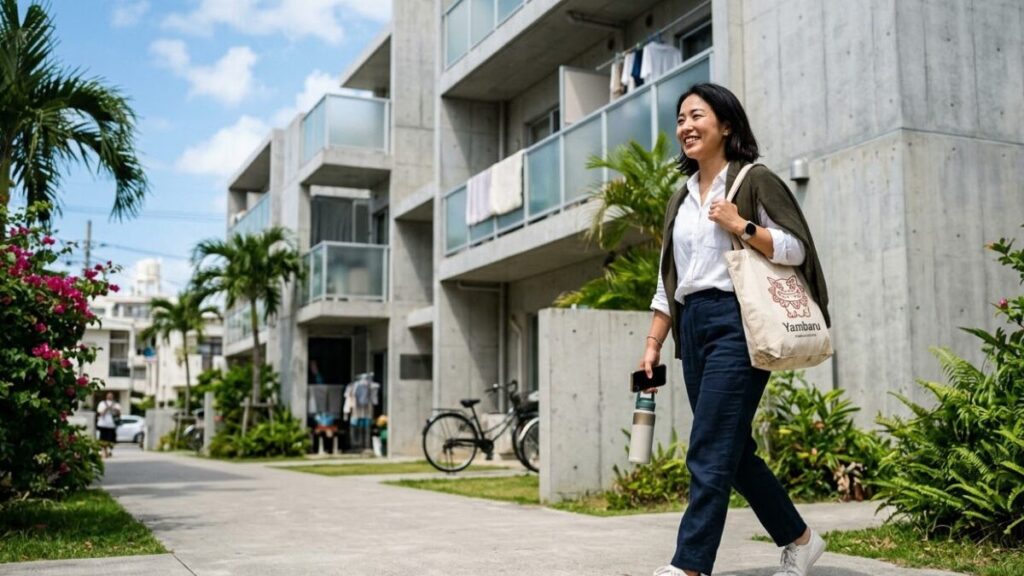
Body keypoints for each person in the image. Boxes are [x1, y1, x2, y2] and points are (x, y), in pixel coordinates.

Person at [641, 83, 830, 576]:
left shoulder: (754, 179)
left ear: (725, 124)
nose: (685, 126)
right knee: (733, 449)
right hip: (694, 327)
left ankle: (690, 565)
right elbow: (671, 280)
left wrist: (741, 225)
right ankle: (800, 538)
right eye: (680, 118)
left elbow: (797, 249)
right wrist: (653, 343)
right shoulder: (679, 200)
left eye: (696, 115)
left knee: (707, 445)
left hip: (738, 322)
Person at [96, 391, 121, 458]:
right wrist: (107, 409)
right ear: (106, 396)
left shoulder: (116, 404)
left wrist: (115, 410)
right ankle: (102, 451)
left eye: (111, 395)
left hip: (112, 424)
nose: (110, 396)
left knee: (110, 439)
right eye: (108, 395)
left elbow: (119, 414)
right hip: (103, 424)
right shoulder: (102, 403)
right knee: (102, 438)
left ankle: (109, 451)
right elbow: (100, 413)